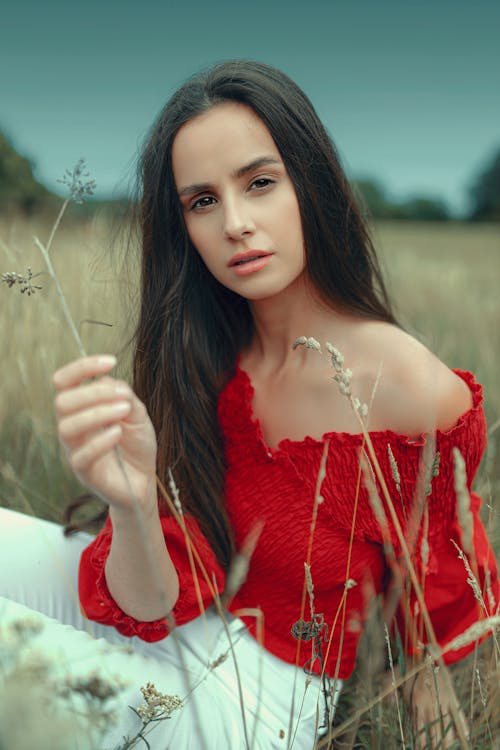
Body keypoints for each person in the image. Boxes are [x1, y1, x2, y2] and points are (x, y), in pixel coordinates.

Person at [1, 60, 498, 750]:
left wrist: (438, 715)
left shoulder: (408, 385)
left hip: (260, 706)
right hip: (174, 638)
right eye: (201, 201)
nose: (235, 223)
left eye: (260, 183)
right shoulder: (206, 357)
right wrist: (134, 501)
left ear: (312, 184)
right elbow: (155, 603)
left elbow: (434, 601)